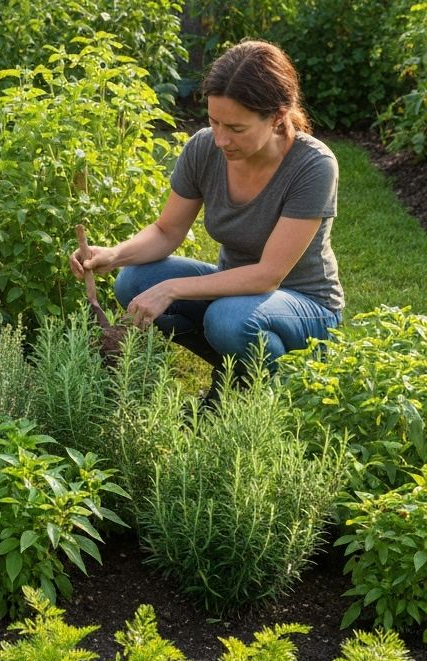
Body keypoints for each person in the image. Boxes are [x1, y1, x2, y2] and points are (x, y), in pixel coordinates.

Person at [69, 39, 344, 404]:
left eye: (236, 128)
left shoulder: (312, 166)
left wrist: (171, 289)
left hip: (305, 309)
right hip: (235, 299)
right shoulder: (204, 148)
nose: (220, 139)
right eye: (214, 121)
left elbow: (267, 275)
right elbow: (167, 231)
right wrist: (114, 255)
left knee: (228, 319)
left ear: (277, 117)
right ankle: (234, 371)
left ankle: (267, 391)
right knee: (133, 280)